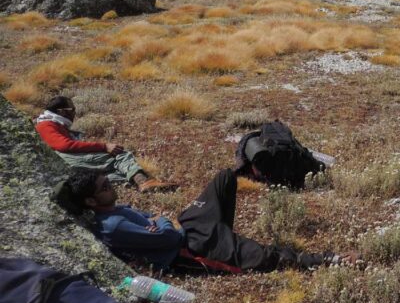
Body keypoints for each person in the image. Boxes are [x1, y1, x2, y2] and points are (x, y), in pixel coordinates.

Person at [63, 167, 338, 272]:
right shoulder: (113, 227)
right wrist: (163, 222)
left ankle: (223, 235)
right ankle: (324, 260)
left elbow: (148, 216)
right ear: (90, 202)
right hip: (189, 247)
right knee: (265, 257)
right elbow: (168, 236)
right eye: (104, 188)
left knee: (224, 178)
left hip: (189, 224)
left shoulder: (113, 209)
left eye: (108, 182)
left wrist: (158, 220)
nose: (112, 187)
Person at [34, 95, 176, 193]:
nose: (74, 113)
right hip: (64, 158)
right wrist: (104, 147)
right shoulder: (46, 125)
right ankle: (144, 182)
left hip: (62, 162)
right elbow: (65, 146)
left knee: (108, 172)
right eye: (72, 110)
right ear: (61, 111)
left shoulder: (52, 122)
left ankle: (133, 183)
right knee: (119, 155)